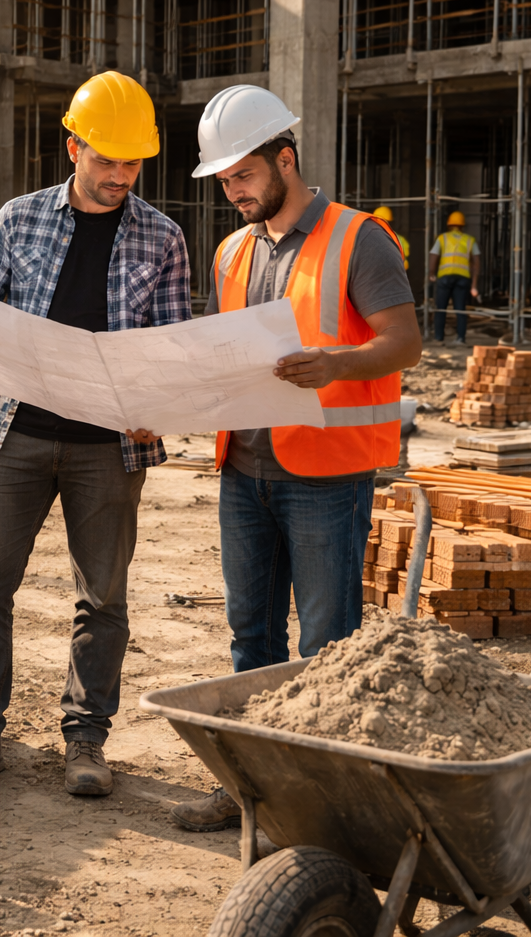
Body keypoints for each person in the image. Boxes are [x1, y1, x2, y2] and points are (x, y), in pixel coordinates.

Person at [0, 70, 190, 797]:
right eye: (106, 160)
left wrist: (158, 397)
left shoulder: (163, 237)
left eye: (133, 164)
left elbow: (169, 344)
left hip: (110, 445)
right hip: (15, 430)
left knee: (101, 599)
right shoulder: (19, 219)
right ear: (73, 147)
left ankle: (86, 743)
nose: (119, 177)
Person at [167, 84, 420, 833]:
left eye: (242, 176)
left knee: (325, 643)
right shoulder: (231, 250)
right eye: (223, 182)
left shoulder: (358, 237)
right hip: (244, 471)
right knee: (251, 638)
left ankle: (320, 805)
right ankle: (251, 787)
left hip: (326, 475)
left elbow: (403, 342)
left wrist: (337, 364)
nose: (233, 193)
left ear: (285, 158)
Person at [431, 210, 480, 344]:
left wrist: (431, 274)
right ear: (462, 226)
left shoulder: (442, 238)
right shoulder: (470, 240)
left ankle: (439, 338)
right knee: (460, 310)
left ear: (449, 224)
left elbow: (433, 257)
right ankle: (460, 338)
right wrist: (474, 284)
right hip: (463, 278)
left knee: (441, 308)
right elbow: (476, 262)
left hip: (444, 277)